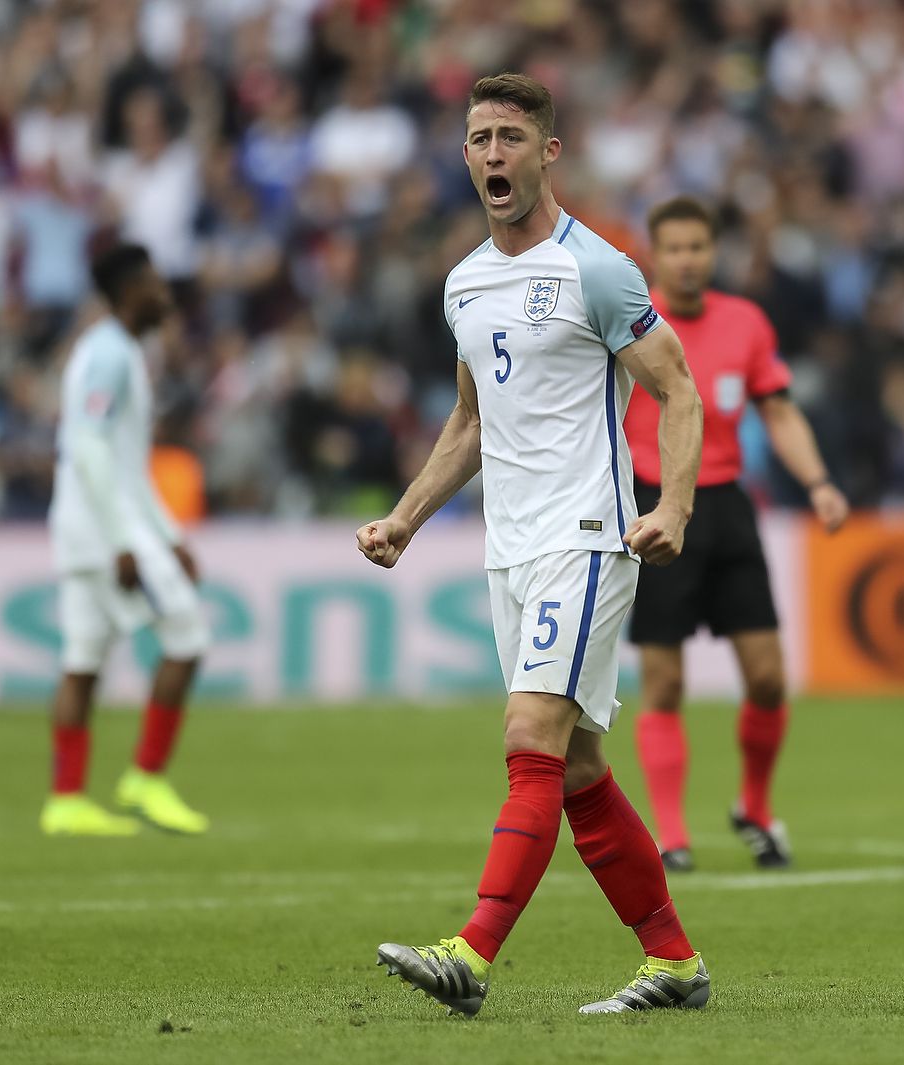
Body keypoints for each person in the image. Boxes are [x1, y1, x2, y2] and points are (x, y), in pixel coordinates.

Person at [356, 74, 709, 1017]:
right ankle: (673, 960)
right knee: (580, 767)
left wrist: (671, 507)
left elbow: (678, 389)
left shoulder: (596, 268)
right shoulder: (464, 283)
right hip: (508, 550)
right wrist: (404, 516)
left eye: (512, 136)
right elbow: (471, 421)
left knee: (529, 738)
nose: (494, 153)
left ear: (548, 152)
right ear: (465, 155)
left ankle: (471, 953)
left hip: (587, 536)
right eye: (480, 138)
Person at [625, 197, 850, 873]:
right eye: (676, 248)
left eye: (699, 246)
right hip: (654, 504)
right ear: (654, 256)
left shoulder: (745, 322)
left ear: (713, 252)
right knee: (663, 683)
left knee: (769, 677)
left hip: (725, 506)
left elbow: (778, 411)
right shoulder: (631, 325)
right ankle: (671, 833)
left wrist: (818, 482)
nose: (688, 259)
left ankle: (754, 806)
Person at [41, 243, 211, 838]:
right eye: (154, 282)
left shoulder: (114, 352)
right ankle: (146, 778)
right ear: (129, 290)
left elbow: (125, 464)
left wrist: (169, 535)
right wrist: (125, 542)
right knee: (186, 636)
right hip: (103, 532)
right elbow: (87, 447)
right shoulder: (111, 355)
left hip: (82, 526)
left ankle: (65, 800)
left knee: (83, 658)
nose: (164, 292)